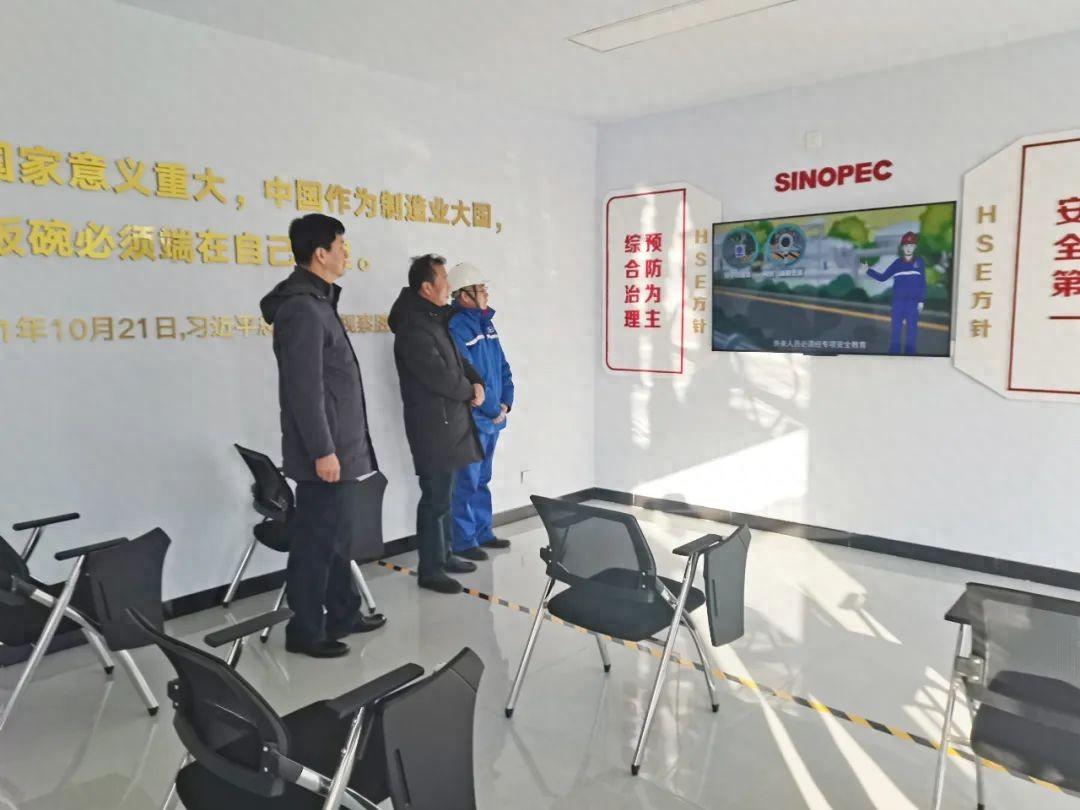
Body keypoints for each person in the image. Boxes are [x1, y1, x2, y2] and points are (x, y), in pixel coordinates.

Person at [260, 214, 387, 658]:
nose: (345, 254)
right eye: (340, 247)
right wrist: (323, 450)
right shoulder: (303, 309)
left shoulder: (318, 302)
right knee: (315, 545)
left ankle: (343, 613)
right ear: (320, 254)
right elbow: (305, 389)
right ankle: (306, 630)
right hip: (325, 453)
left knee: (337, 539)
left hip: (338, 448)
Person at [388, 254, 485, 594]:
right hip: (432, 426)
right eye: (444, 279)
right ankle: (430, 570)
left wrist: (476, 380)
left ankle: (444, 556)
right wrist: (469, 390)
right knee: (435, 499)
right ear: (426, 287)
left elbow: (458, 362)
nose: (449, 286)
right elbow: (439, 376)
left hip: (449, 422)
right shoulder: (414, 327)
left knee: (446, 495)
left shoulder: (435, 318)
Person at [446, 263, 515, 561]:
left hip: (492, 418)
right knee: (466, 481)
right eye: (480, 289)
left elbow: (502, 366)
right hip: (473, 420)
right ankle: (463, 541)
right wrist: (491, 408)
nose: (486, 293)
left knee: (483, 478)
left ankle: (483, 532)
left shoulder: (487, 324)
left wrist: (506, 402)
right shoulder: (456, 328)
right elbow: (468, 375)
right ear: (464, 295)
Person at [860, 231, 926, 355]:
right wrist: (868, 271)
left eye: (911, 245)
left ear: (915, 247)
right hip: (898, 304)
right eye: (906, 245)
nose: (908, 248)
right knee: (896, 333)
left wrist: (921, 301)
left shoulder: (919, 263)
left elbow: (922, 283)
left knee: (912, 333)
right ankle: (893, 356)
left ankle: (911, 357)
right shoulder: (897, 263)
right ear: (902, 247)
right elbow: (883, 277)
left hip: (913, 304)